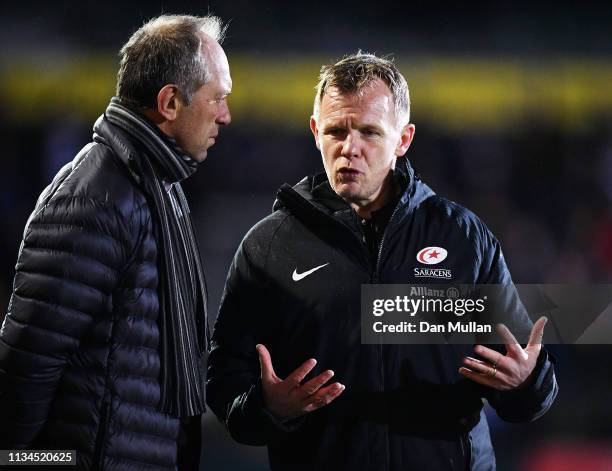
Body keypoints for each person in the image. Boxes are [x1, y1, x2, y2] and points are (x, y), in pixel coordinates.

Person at [206, 52, 558, 470]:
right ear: (316, 131)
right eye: (336, 130)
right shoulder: (268, 247)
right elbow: (225, 386)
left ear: (403, 139)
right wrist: (269, 408)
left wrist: (526, 382)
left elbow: (524, 394)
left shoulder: (463, 238)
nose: (349, 148)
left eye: (369, 133)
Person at [0, 14, 231, 470]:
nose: (226, 114)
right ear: (169, 102)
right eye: (218, 98)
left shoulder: (159, 186)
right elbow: (27, 365)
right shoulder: (96, 198)